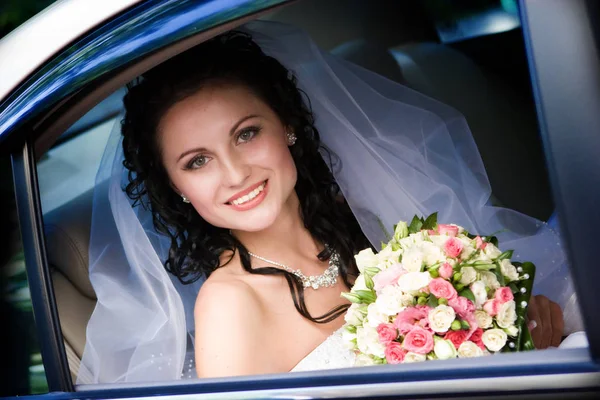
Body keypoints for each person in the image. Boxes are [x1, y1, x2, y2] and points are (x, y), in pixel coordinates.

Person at [79, 21, 581, 383]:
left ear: (288, 127)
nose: (235, 173)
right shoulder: (231, 306)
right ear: (177, 190)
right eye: (197, 161)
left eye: (246, 134)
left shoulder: (364, 226)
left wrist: (512, 335)